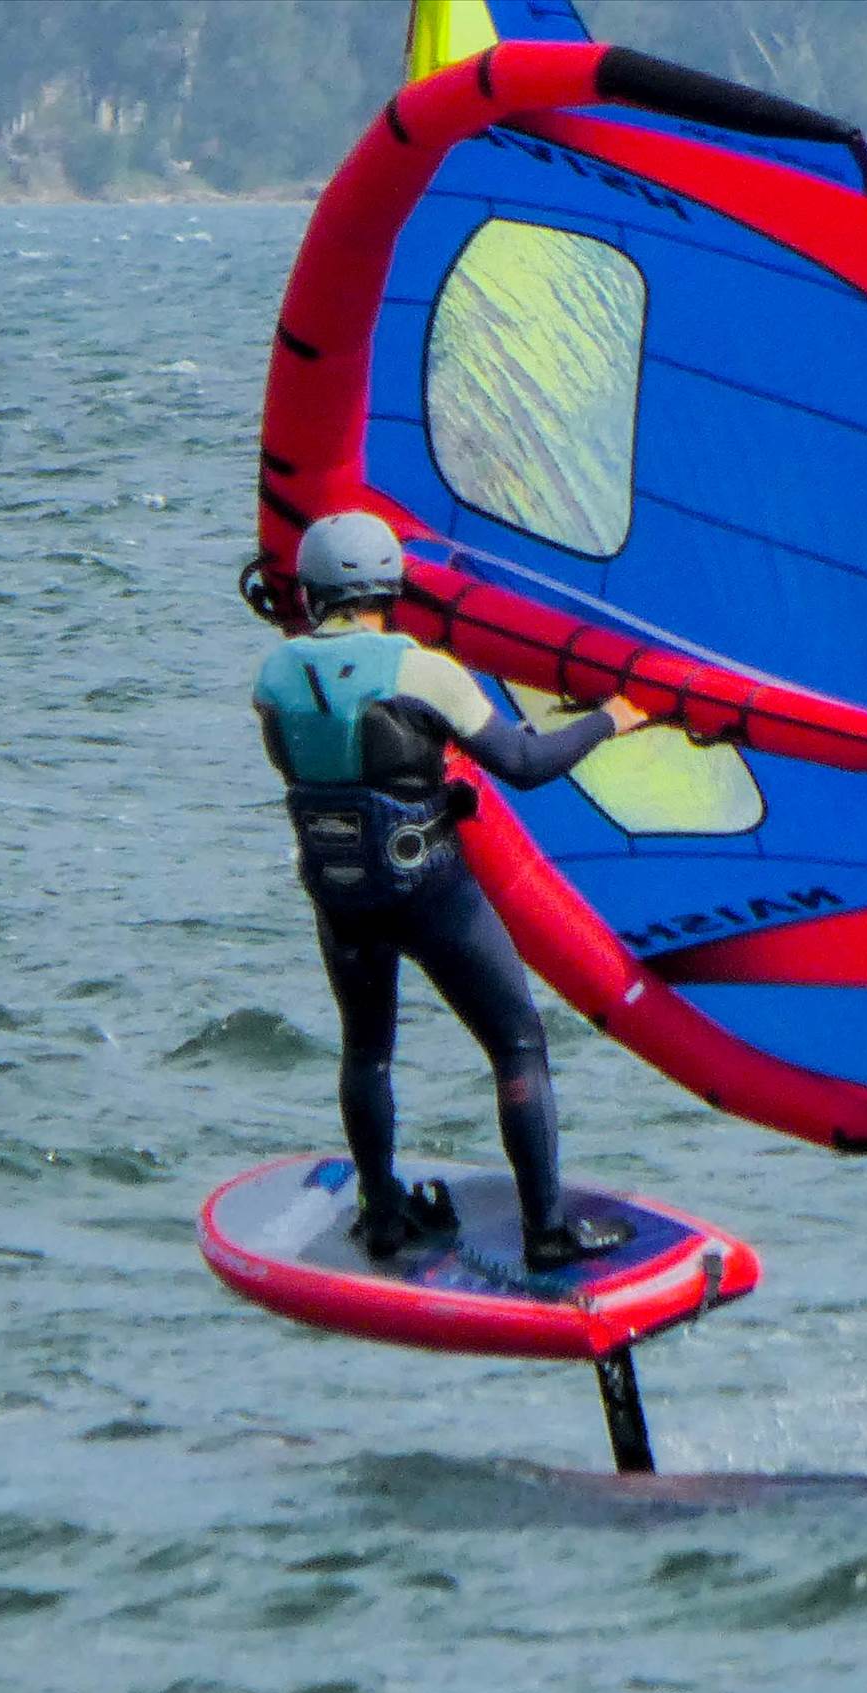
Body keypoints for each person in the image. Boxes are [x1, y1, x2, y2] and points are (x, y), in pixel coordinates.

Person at [252, 511, 647, 1270]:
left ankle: (382, 1216)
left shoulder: (271, 677)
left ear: (310, 591)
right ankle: (546, 1233)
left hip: (339, 897)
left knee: (366, 1049)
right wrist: (608, 719)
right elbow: (524, 765)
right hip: (428, 889)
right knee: (517, 1043)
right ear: (388, 588)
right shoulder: (423, 671)